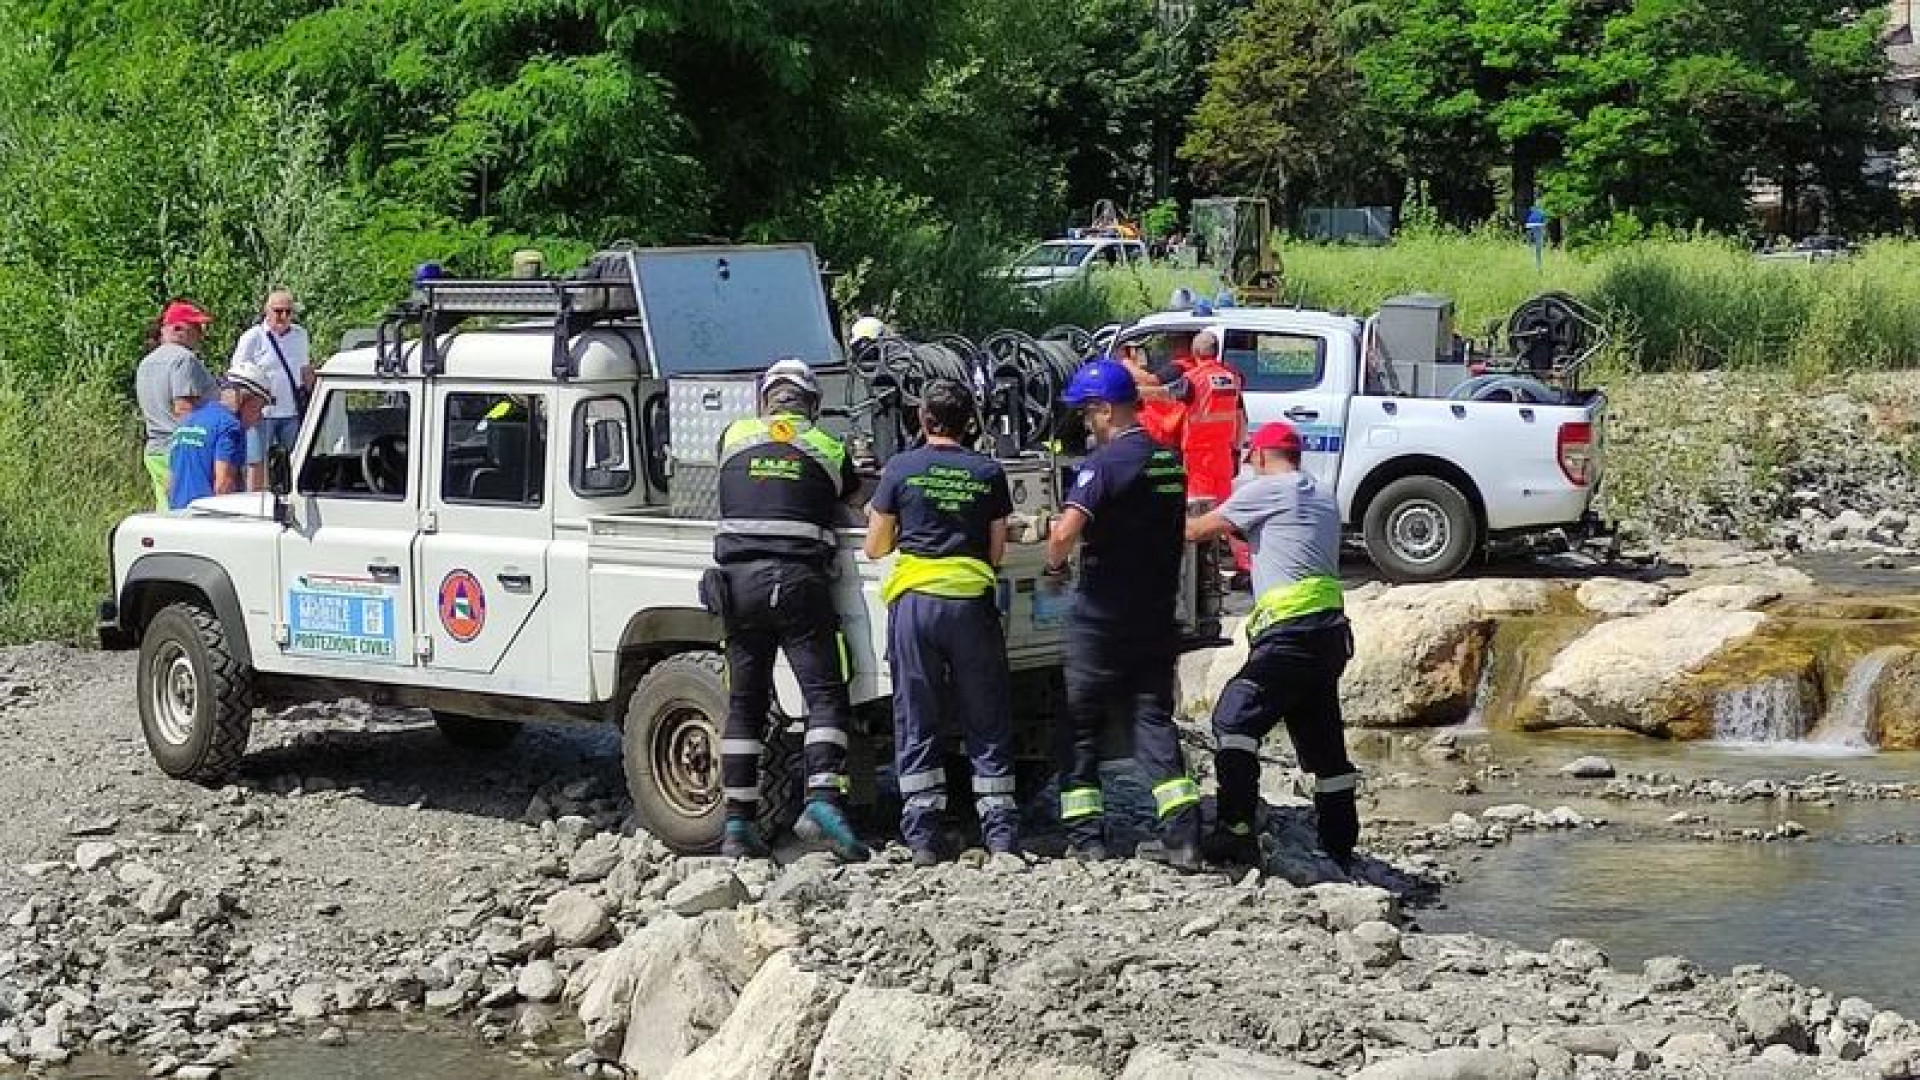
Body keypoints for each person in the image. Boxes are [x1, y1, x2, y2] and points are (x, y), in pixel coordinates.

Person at [707, 358, 869, 863]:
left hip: (736, 586)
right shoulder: (826, 446)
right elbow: (852, 497)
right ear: (813, 405)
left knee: (745, 703)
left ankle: (738, 825)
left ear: (764, 399)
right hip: (798, 583)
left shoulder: (732, 436)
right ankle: (822, 802)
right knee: (824, 693)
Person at [1044, 359, 1202, 867]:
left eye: (1087, 413)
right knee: (1152, 719)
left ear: (1104, 410)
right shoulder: (1167, 461)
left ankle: (1086, 837)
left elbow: (1065, 532)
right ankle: (1182, 837)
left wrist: (1051, 566)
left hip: (1103, 616)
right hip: (1155, 613)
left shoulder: (1105, 464)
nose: (1086, 423)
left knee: (1081, 721)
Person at [1184, 422, 1360, 871]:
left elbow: (1196, 531)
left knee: (1234, 718)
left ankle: (1236, 832)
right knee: (1323, 740)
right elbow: (1278, 538)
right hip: (1329, 635)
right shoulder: (1320, 494)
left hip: (1288, 635)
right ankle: (1339, 844)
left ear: (1260, 457)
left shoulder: (1267, 490)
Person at [864, 379, 1019, 865]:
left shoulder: (901, 468)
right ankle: (1000, 836)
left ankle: (922, 838)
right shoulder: (988, 472)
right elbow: (996, 552)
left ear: (921, 419)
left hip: (916, 606)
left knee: (917, 715)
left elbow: (876, 546)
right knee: (987, 717)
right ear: (968, 421)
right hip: (971, 604)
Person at [135, 301, 217, 511]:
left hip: (155, 449)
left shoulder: (146, 362)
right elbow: (184, 409)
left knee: (165, 508)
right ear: (178, 328)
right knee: (188, 511)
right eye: (196, 328)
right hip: (180, 450)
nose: (201, 334)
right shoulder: (184, 359)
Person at [230, 289, 314, 490]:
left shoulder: (300, 335)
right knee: (256, 461)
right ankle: (255, 502)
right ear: (266, 311)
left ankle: (291, 499)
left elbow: (304, 370)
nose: (283, 316)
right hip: (261, 412)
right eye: (278, 311)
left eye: (288, 312)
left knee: (294, 460)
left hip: (291, 409)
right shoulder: (253, 338)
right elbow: (237, 374)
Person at [167, 362, 275, 510]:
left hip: (177, 513)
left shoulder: (189, 420)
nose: (260, 417)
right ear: (245, 400)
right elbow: (223, 484)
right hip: (207, 518)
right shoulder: (231, 427)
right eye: (259, 407)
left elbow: (171, 482)